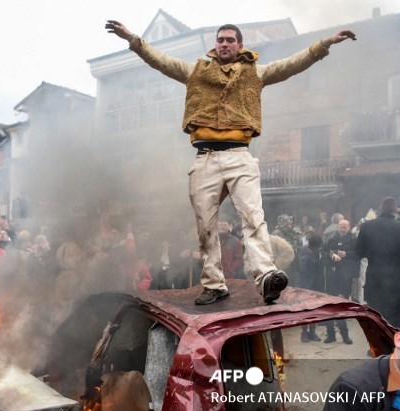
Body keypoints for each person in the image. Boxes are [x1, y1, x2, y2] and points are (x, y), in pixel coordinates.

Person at [106, 20, 356, 305]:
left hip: (239, 156)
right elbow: (161, 61)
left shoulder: (255, 73)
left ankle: (266, 277)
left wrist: (324, 44)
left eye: (229, 40)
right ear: (216, 45)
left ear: (239, 45)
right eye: (220, 40)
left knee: (253, 216)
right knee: (206, 226)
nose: (224, 44)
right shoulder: (195, 71)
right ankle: (213, 285)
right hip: (205, 159)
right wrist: (133, 39)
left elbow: (290, 65)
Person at [355, 197, 400, 327]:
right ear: (395, 210)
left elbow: (358, 251)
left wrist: (372, 253)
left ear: (380, 209)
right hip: (395, 277)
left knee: (375, 312)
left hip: (374, 276)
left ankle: (377, 346)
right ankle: (393, 344)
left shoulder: (366, 226)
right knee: (394, 313)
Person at [324, 219, 357, 343]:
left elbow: (358, 254)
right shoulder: (332, 238)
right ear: (338, 227)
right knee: (329, 306)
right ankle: (330, 335)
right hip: (332, 274)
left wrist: (346, 254)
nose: (342, 229)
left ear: (348, 228)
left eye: (344, 227)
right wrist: (332, 254)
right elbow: (326, 250)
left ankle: (345, 335)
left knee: (341, 306)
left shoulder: (353, 239)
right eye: (341, 227)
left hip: (346, 275)